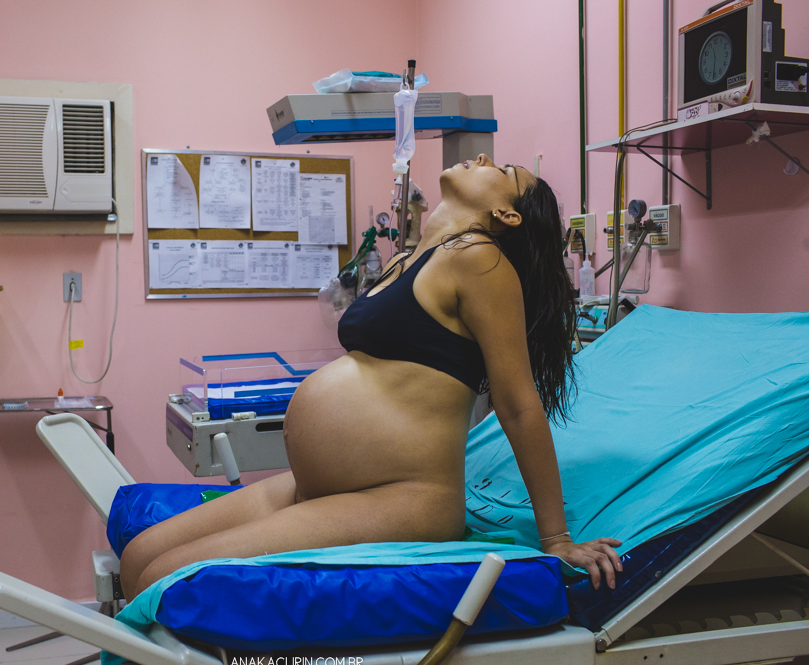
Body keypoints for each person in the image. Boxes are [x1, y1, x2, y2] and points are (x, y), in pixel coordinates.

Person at [121, 153, 622, 599]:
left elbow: (517, 404)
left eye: (505, 170)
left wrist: (556, 540)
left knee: (163, 578)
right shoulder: (410, 258)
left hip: (401, 497)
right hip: (323, 486)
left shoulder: (480, 260)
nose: (486, 156)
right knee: (139, 557)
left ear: (506, 215)